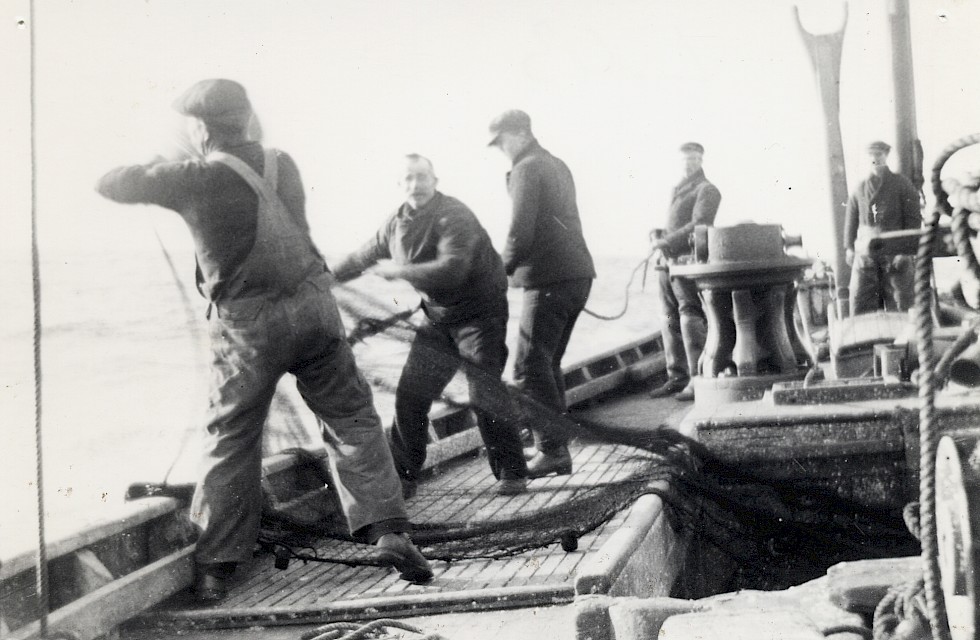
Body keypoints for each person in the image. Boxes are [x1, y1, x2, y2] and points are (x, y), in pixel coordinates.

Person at [94, 79, 432, 601]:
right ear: (247, 118)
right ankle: (388, 530)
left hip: (250, 329)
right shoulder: (283, 164)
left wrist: (164, 156)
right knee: (352, 418)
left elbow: (111, 182)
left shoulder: (192, 177)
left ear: (201, 127)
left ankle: (216, 568)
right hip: (317, 313)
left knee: (232, 435)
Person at [331, 154, 529, 496]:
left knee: (484, 392)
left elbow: (453, 268)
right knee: (411, 395)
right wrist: (322, 279)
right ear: (399, 184)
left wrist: (400, 272)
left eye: (422, 177)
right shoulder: (395, 223)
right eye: (408, 178)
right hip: (437, 318)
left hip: (480, 316)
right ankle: (404, 476)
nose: (415, 185)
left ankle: (512, 471)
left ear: (435, 180)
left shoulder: (454, 215)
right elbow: (361, 258)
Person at [486, 110, 596, 478]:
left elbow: (520, 230)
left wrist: (495, 272)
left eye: (501, 141)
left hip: (549, 279)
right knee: (545, 364)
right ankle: (553, 445)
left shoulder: (526, 167)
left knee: (528, 367)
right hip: (577, 275)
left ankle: (552, 451)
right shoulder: (555, 162)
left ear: (517, 134)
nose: (500, 149)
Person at [647, 142, 721, 402]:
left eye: (693, 159)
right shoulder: (677, 189)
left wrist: (667, 241)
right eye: (684, 160)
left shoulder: (707, 189)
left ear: (701, 160)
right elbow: (678, 223)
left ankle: (697, 378)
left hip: (687, 261)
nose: (688, 163)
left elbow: (699, 224)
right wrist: (659, 235)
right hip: (667, 262)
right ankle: (677, 377)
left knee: (689, 315)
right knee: (668, 318)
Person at [844, 140, 922, 315]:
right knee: (861, 300)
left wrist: (906, 252)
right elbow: (851, 220)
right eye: (871, 156)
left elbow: (913, 220)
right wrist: (849, 248)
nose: (874, 159)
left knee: (902, 301)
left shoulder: (902, 184)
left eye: (878, 155)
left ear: (886, 156)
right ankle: (864, 340)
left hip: (896, 251)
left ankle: (906, 339)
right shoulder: (859, 188)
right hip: (866, 253)